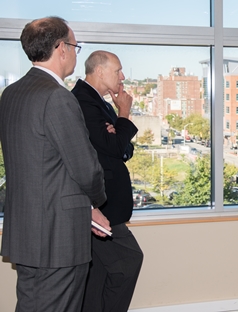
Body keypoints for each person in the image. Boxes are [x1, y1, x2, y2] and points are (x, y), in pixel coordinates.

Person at [0, 16, 110, 311]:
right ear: (61, 48)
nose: (76, 52)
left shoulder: (11, 94)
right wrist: (97, 202)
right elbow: (84, 166)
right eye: (75, 46)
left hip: (26, 233)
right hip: (57, 239)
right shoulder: (57, 97)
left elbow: (41, 163)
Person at [72, 50, 143, 312]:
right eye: (118, 70)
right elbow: (114, 146)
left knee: (98, 274)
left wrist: (118, 133)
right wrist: (123, 114)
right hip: (99, 207)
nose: (123, 77)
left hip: (105, 205)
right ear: (99, 71)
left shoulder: (98, 102)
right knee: (129, 260)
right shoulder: (83, 101)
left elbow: (124, 149)